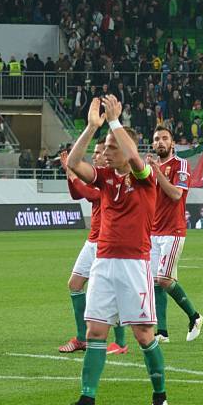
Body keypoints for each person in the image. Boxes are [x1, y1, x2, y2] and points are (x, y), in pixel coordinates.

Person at [53, 96, 167, 405]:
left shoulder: (145, 178)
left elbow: (132, 155)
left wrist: (116, 124)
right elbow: (75, 163)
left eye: (111, 147)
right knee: (95, 332)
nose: (105, 152)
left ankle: (159, 395)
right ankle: (87, 401)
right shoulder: (105, 179)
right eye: (105, 147)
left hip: (135, 264)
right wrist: (92, 127)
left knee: (143, 335)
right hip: (103, 262)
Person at [57, 146, 128, 356]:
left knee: (113, 291)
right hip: (93, 241)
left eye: (98, 152)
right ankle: (82, 338)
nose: (95, 155)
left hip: (107, 242)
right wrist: (70, 175)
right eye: (95, 152)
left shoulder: (111, 180)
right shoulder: (97, 178)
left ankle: (121, 341)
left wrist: (72, 172)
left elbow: (89, 195)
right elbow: (76, 194)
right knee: (75, 284)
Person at [146, 126, 203, 344]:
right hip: (152, 231)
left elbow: (176, 194)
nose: (160, 142)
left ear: (172, 143)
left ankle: (195, 316)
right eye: (156, 139)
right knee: (154, 281)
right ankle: (162, 332)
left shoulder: (181, 165)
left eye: (164, 138)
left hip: (173, 230)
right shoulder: (149, 169)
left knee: (163, 278)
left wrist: (156, 171)